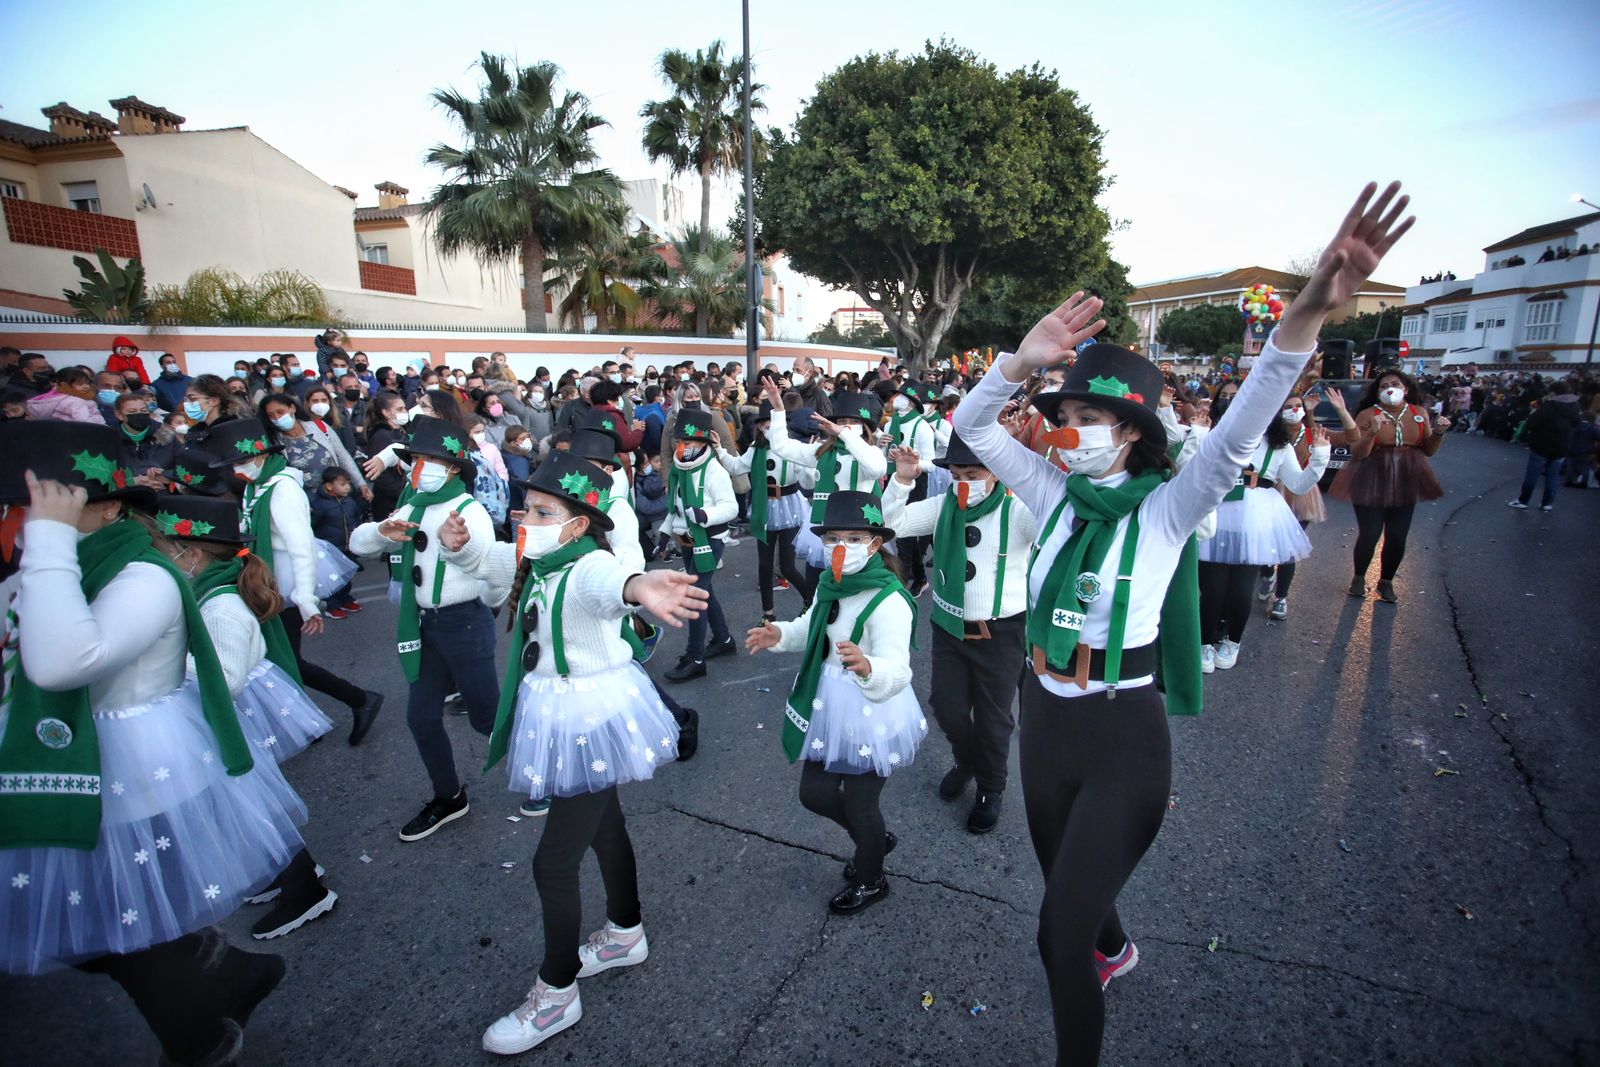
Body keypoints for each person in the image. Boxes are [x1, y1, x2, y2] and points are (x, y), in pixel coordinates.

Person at [952, 181, 1414, 1067]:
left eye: (1093, 419)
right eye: (1068, 415)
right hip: (1043, 724)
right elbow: (972, 424)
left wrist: (1306, 315)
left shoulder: (1168, 506)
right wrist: (1019, 363)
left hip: (1124, 734)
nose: (1073, 430)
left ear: (1131, 433)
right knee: (1073, 901)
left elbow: (1241, 432)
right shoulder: (1051, 493)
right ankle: (1114, 947)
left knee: (1055, 937)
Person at [0, 421, 304, 1066]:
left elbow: (60, 661)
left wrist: (49, 545)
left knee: (111, 926)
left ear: (107, 508)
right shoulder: (57, 568)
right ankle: (219, 975)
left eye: (48, 508)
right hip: (64, 758)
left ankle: (202, 1023)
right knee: (104, 926)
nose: (26, 522)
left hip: (127, 772)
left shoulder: (143, 575)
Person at [428, 452, 705, 1055]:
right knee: (606, 827)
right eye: (527, 507)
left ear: (578, 524)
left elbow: (612, 585)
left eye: (543, 511)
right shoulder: (538, 557)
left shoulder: (585, 567)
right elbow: (483, 559)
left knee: (552, 863)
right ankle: (626, 931)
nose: (527, 518)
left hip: (586, 716)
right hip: (562, 709)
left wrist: (638, 586)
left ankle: (556, 994)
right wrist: (454, 545)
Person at [149, 493, 339, 941]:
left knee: (255, 802)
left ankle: (305, 889)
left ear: (192, 555)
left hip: (233, 714)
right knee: (251, 801)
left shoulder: (220, 607)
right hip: (229, 713)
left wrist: (161, 659)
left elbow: (226, 677)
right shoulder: (211, 590)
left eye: (164, 551)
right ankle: (284, 868)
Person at [745, 490, 923, 914]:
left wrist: (868, 666)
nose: (841, 547)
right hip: (829, 705)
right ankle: (873, 842)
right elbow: (811, 628)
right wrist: (781, 635)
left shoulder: (890, 600)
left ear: (875, 544)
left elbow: (899, 669)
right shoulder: (830, 585)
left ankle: (871, 877)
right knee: (815, 793)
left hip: (870, 709)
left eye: (854, 538)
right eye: (832, 538)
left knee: (862, 804)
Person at [346, 417, 500, 840]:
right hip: (423, 624)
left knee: (488, 720)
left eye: (428, 459)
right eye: (414, 459)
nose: (418, 467)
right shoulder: (411, 506)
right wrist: (381, 531)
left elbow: (491, 568)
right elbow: (358, 544)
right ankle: (449, 796)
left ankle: (550, 778)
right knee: (421, 718)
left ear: (452, 467)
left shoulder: (469, 510)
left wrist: (462, 547)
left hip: (464, 621)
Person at [882, 433, 1036, 834]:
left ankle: (991, 786)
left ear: (995, 472)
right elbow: (891, 523)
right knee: (946, 706)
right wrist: (902, 480)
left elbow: (1055, 529)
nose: (962, 481)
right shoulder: (944, 504)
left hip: (1000, 633)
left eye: (973, 473)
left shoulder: (1017, 511)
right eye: (955, 473)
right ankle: (967, 760)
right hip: (948, 628)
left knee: (993, 718)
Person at [206, 418, 383, 743]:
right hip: (263, 579)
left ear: (261, 455)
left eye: (241, 461)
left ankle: (358, 700)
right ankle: (311, 717)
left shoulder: (283, 488)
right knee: (277, 656)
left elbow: (301, 545)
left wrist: (305, 598)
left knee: (283, 657)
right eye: (233, 464)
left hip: (282, 584)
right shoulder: (255, 485)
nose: (238, 470)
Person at [1196, 401, 1330, 670]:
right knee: (1211, 588)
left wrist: (1319, 457)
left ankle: (1233, 641)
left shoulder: (1279, 445)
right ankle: (1205, 643)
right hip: (1216, 515)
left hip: (1255, 520)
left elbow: (1298, 484)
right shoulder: (1218, 438)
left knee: (1241, 590)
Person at [1326, 366, 1449, 601]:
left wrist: (1439, 433)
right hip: (1371, 474)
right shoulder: (1367, 414)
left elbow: (1428, 450)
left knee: (1397, 535)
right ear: (1377, 391)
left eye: (1394, 385)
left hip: (1406, 476)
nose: (1389, 389)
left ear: (1405, 388)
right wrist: (1372, 433)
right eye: (1383, 386)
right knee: (1370, 532)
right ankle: (1359, 577)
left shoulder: (1418, 413)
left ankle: (1386, 581)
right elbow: (1359, 453)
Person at [760, 379, 888, 589]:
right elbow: (782, 447)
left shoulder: (870, 453)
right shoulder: (822, 452)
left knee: (854, 588)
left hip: (857, 532)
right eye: (842, 420)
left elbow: (876, 469)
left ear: (864, 427)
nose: (845, 425)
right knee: (818, 586)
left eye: (852, 421)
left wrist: (844, 434)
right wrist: (778, 410)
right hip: (825, 528)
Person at [715, 399, 813, 621]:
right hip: (764, 505)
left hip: (790, 505)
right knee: (765, 565)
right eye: (765, 424)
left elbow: (807, 481)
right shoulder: (755, 448)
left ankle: (811, 601)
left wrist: (808, 467)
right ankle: (768, 614)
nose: (769, 428)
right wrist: (719, 449)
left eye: (773, 424)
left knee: (788, 566)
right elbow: (736, 467)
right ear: (759, 426)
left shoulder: (792, 447)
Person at [659, 412, 738, 682]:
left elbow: (730, 507)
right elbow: (677, 508)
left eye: (690, 441)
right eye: (681, 441)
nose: (683, 446)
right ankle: (724, 639)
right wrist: (664, 534)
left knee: (694, 594)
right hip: (687, 539)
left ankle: (695, 657)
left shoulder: (714, 470)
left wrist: (705, 515)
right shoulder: (681, 470)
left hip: (710, 539)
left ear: (703, 442)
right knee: (705, 591)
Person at [260, 393, 369, 494]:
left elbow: (343, 457)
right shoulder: (274, 442)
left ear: (292, 408)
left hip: (334, 495)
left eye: (280, 412)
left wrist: (360, 484)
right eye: (271, 415)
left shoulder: (319, 427)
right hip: (305, 500)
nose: (277, 418)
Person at [1509, 385, 1580, 512]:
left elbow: (1532, 422)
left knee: (1533, 473)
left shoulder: (1549, 406)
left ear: (1553, 393)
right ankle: (1547, 503)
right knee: (1553, 475)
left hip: (1542, 443)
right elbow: (1576, 423)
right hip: (1562, 445)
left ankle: (1523, 500)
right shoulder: (1574, 407)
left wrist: (1526, 436)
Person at [309, 467, 365, 619]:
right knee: (332, 577)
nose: (347, 487)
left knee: (347, 574)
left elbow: (356, 517)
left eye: (348, 483)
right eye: (342, 484)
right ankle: (332, 604)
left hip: (348, 545)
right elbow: (312, 525)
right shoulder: (319, 505)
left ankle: (345, 599)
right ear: (328, 486)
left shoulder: (349, 501)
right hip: (329, 548)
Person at [111, 392, 180, 491]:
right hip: (124, 497)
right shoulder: (110, 438)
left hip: (163, 493)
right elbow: (101, 476)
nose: (139, 414)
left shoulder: (165, 433)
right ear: (120, 415)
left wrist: (167, 476)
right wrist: (129, 482)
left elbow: (185, 467)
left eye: (143, 410)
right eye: (132, 411)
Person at [26, 366, 102, 424]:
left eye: (87, 383)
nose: (86, 386)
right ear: (64, 385)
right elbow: (85, 423)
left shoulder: (51, 398)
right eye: (80, 384)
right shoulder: (75, 401)